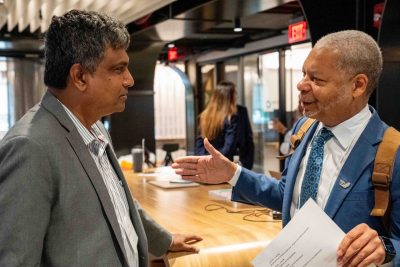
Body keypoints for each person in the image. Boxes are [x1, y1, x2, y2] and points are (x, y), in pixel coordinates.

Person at [173, 30, 400, 266]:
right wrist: (233, 174)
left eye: (317, 79)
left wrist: (386, 249)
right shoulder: (303, 129)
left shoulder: (392, 151)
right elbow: (286, 195)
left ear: (358, 85)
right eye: (304, 74)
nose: (301, 85)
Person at [0, 10, 201, 266]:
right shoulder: (30, 147)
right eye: (118, 69)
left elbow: (117, 200)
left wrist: (164, 240)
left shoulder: (94, 126)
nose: (129, 80)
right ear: (80, 76)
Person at [195, 81, 239, 162]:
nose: (236, 97)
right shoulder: (231, 117)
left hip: (205, 162)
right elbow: (229, 147)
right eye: (234, 94)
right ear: (230, 97)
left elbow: (199, 143)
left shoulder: (205, 115)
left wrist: (205, 158)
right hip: (223, 164)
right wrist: (216, 159)